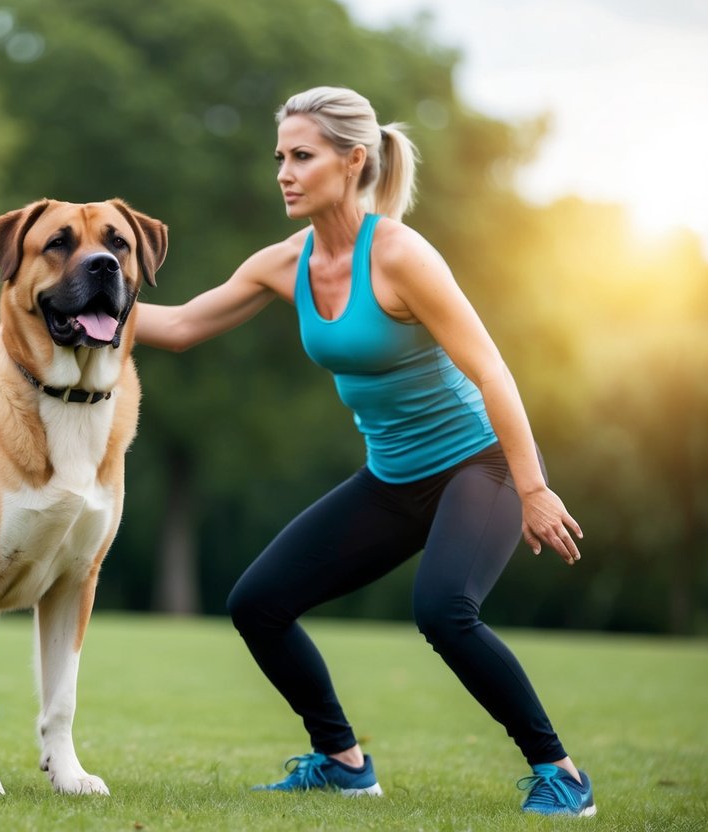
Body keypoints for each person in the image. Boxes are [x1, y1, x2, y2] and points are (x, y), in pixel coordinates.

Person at [134, 86, 595, 817]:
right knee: (257, 603)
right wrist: (73, 300)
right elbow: (184, 324)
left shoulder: (402, 256)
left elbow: (491, 370)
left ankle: (561, 776)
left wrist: (533, 487)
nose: (283, 172)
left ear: (352, 162)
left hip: (480, 465)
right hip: (391, 479)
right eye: (279, 157)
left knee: (444, 611)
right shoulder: (285, 263)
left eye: (301, 157)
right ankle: (342, 762)